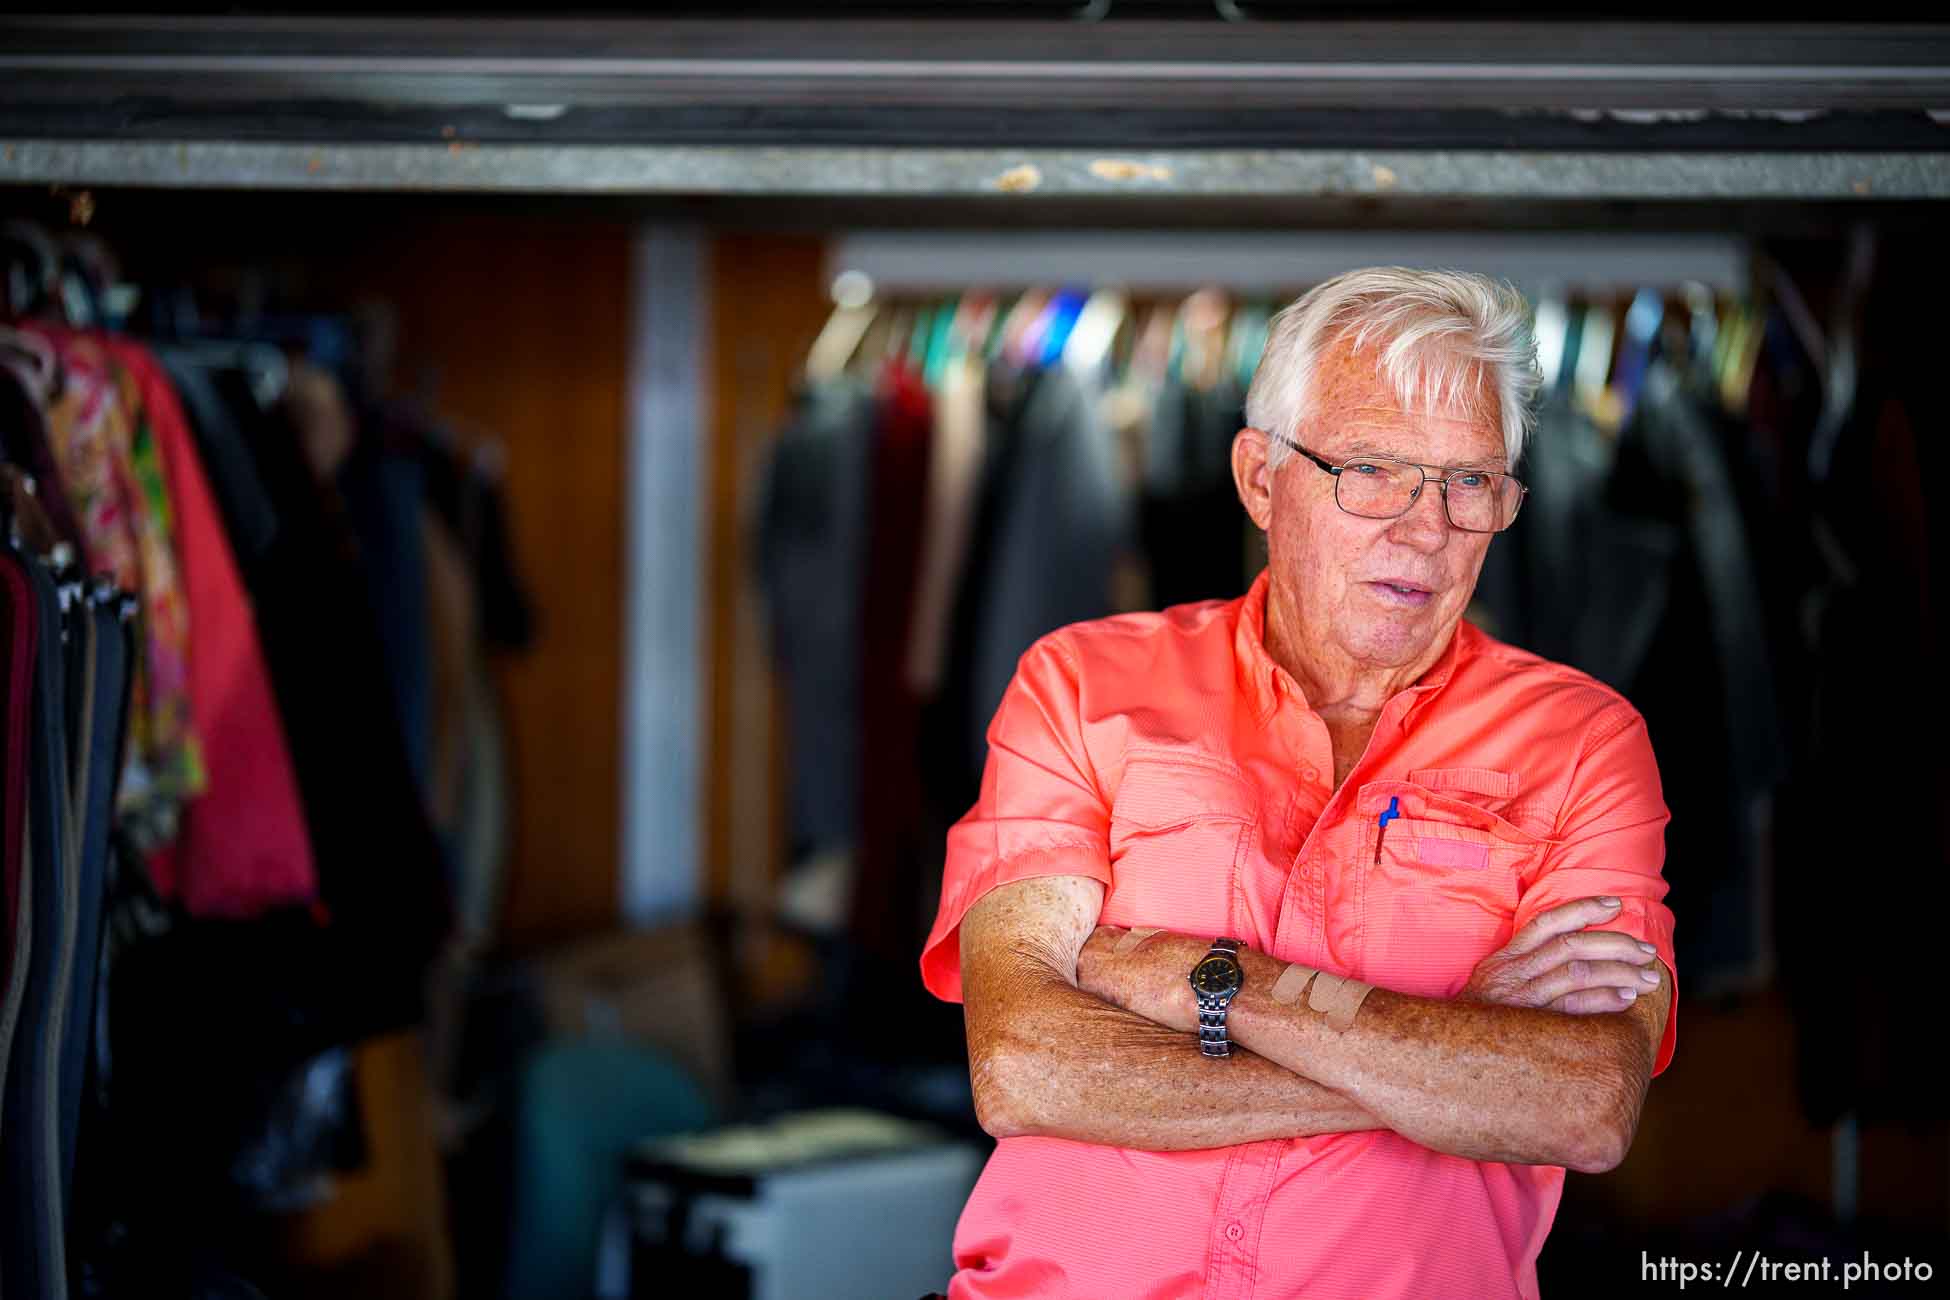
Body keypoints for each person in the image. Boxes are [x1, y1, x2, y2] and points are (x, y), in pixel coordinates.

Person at [919, 267, 1676, 1300]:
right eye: (1371, 468)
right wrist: (1450, 1056)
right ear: (1260, 477)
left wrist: (1218, 981)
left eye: (1470, 482)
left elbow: (1582, 1101)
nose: (1426, 527)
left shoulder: (1584, 742)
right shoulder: (1083, 684)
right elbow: (1025, 1066)